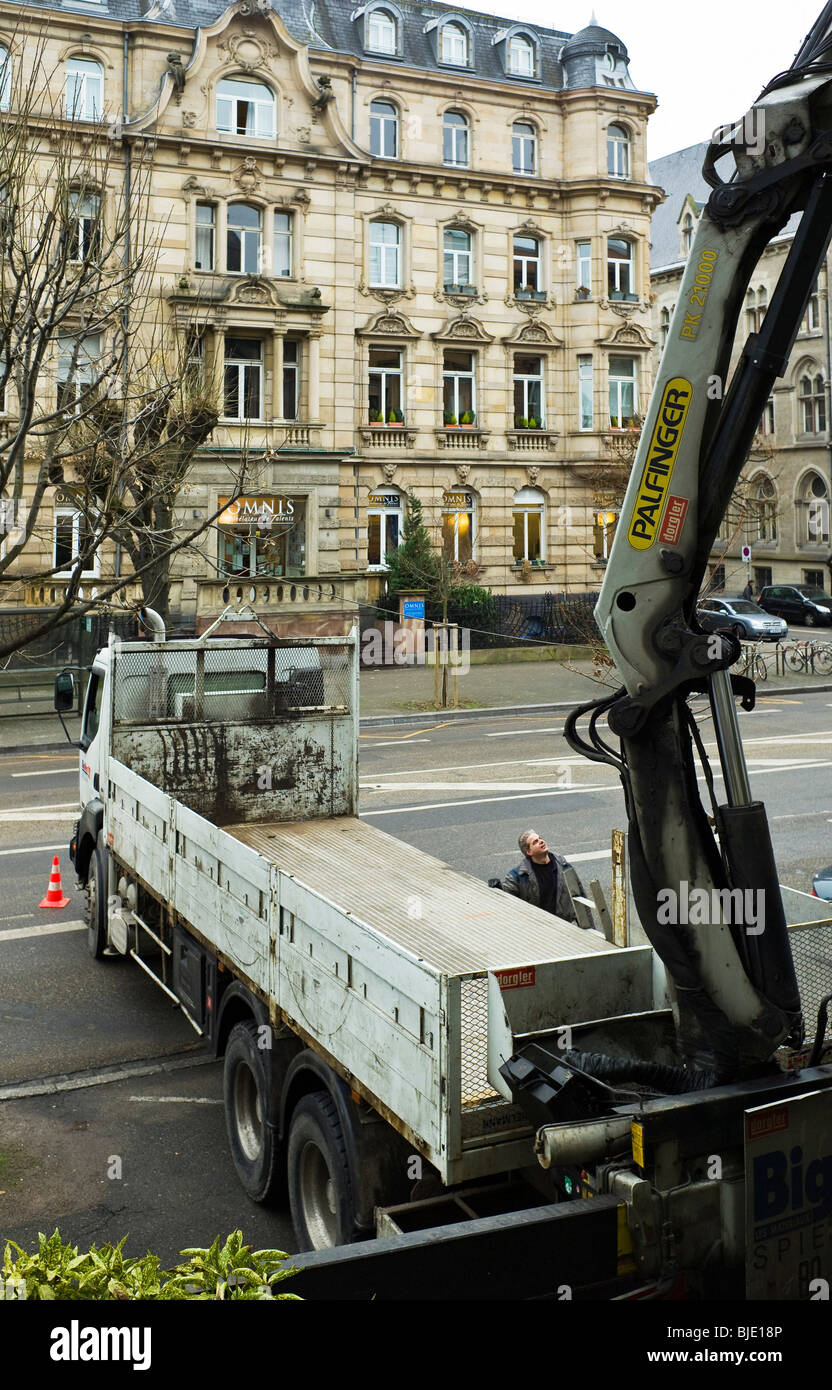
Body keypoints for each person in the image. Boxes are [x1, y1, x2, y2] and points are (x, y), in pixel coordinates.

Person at [499, 828, 584, 923]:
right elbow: (505, 894)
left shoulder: (564, 866)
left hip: (565, 926)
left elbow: (580, 898)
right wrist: (497, 888)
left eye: (540, 838)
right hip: (539, 928)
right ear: (529, 852)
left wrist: (587, 928)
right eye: (535, 842)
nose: (541, 841)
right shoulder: (519, 876)